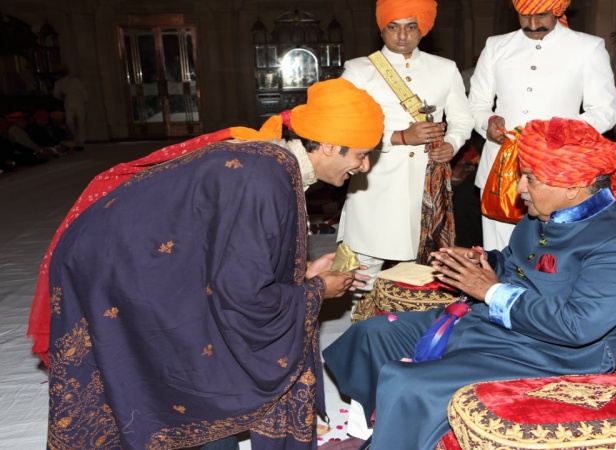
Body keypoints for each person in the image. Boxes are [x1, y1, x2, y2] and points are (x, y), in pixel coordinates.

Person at [324, 117, 616, 450]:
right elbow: (516, 263)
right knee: (371, 332)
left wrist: (490, 291)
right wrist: (481, 260)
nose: (519, 188)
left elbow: (578, 327)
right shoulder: (544, 216)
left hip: (551, 355)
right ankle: (373, 420)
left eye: (531, 178)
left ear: (575, 186)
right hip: (494, 324)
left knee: (408, 381)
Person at [28, 78, 386, 450]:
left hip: (137, 254)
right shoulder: (266, 177)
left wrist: (304, 275)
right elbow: (243, 296)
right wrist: (317, 290)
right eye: (361, 154)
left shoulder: (273, 161)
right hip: (114, 264)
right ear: (328, 146)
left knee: (206, 353)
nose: (363, 166)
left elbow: (233, 256)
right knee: (194, 361)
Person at [337, 0, 473, 292]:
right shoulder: (359, 70)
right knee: (365, 273)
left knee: (424, 272)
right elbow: (342, 126)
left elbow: (463, 119)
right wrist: (398, 137)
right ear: (382, 30)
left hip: (427, 185)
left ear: (421, 29)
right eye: (393, 27)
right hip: (374, 184)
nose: (402, 36)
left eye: (411, 27)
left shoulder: (445, 68)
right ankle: (363, 331)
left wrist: (451, 143)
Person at [468, 0, 616, 250]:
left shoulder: (588, 47)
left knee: (550, 253)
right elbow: (476, 103)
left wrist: (557, 134)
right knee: (499, 251)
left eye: (542, 15)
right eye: (525, 16)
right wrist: (489, 123)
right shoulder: (496, 46)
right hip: (500, 168)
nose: (533, 24)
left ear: (558, 10)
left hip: (558, 171)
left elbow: (606, 111)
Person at [52, 63, 89, 150]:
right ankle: (76, 137)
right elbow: (56, 94)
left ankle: (81, 140)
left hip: (79, 102)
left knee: (81, 121)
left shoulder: (75, 80)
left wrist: (86, 100)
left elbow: (83, 90)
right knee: (69, 122)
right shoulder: (58, 83)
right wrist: (62, 96)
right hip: (68, 103)